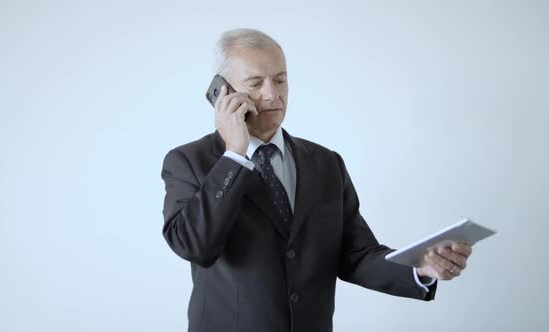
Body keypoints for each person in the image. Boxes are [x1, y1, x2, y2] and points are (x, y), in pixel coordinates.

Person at [161, 28, 473, 332]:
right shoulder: (189, 162)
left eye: (280, 80)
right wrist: (235, 155)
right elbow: (194, 246)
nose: (273, 94)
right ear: (223, 92)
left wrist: (421, 269)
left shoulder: (326, 164)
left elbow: (356, 255)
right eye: (256, 83)